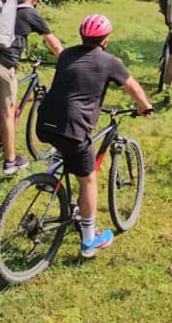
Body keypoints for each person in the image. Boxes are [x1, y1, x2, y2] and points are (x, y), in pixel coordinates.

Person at [35, 14, 154, 258]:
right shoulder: (110, 61)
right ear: (106, 40)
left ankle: (52, 171)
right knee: (87, 180)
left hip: (44, 120)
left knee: (65, 145)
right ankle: (89, 241)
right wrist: (145, 106)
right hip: (73, 127)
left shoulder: (67, 54)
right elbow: (134, 88)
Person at [0, 0, 64, 175]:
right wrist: (66, 61)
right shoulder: (31, 14)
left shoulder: (8, 9)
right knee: (7, 112)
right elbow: (55, 45)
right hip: (2, 64)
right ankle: (10, 162)